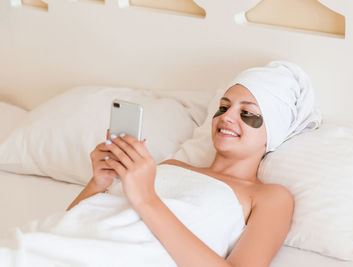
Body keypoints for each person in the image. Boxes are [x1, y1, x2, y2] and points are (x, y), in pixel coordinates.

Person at [67, 61, 321, 267]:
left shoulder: (269, 197)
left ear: (273, 132)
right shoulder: (170, 166)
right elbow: (71, 224)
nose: (227, 117)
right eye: (223, 107)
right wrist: (98, 183)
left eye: (248, 113)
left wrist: (147, 200)